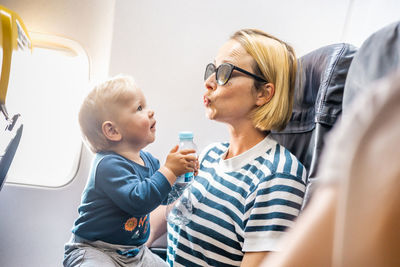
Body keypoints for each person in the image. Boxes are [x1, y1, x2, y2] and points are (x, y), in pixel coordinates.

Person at [148, 29, 307, 266]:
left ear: (263, 93)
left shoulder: (278, 176)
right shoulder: (210, 155)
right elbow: (150, 228)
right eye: (212, 69)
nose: (209, 82)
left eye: (225, 72)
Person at [63, 75, 198, 267]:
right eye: (139, 108)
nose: (150, 111)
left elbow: (161, 198)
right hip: (96, 250)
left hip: (134, 253)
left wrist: (183, 177)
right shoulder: (107, 165)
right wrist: (169, 170)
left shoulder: (148, 160)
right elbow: (139, 201)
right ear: (113, 131)